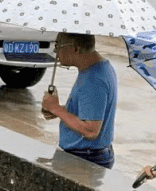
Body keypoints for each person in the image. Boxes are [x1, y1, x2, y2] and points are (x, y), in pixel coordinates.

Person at [40, 32, 118, 169]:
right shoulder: (101, 67)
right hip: (91, 153)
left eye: (58, 45)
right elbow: (91, 111)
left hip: (86, 157)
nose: (55, 50)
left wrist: (56, 109)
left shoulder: (93, 80)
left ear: (75, 48)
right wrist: (61, 111)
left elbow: (91, 131)